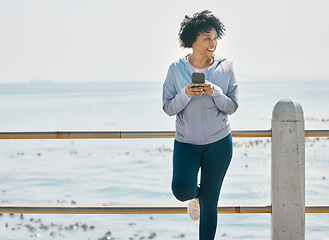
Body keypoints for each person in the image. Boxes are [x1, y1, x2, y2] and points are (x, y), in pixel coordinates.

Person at [162, 10, 238, 240]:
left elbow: (232, 106)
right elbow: (168, 108)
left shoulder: (226, 67)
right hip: (186, 144)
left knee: (209, 203)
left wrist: (215, 92)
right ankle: (195, 197)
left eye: (215, 38)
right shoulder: (176, 69)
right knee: (182, 190)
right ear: (192, 40)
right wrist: (185, 94)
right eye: (207, 38)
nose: (213, 43)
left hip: (219, 144)